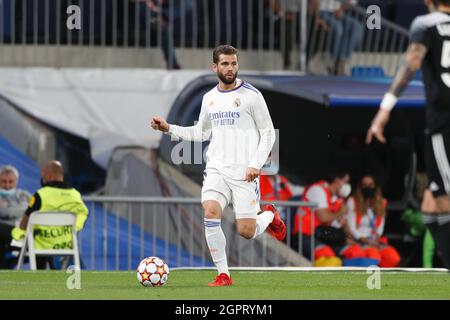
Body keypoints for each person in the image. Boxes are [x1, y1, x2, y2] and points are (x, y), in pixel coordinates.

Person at [150, 44, 285, 286]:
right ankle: (224, 274)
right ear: (215, 67)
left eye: (233, 63)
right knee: (210, 211)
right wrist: (168, 128)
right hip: (216, 168)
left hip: (245, 172)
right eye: (225, 63)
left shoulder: (251, 96)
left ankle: (269, 214)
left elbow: (268, 134)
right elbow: (201, 133)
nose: (230, 68)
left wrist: (255, 164)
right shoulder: (209, 99)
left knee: (246, 231)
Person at [366, 0, 450, 269]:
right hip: (438, 126)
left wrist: (385, 109)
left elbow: (411, 63)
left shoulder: (425, 24)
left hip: (445, 123)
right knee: (431, 204)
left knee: (445, 201)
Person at [0, 160, 89, 269]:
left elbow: (24, 224)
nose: (42, 178)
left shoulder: (41, 195)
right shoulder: (76, 195)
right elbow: (82, 216)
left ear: (50, 176)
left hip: (39, 241)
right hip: (66, 242)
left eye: (43, 176)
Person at [292, 171, 366, 266]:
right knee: (326, 256)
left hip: (325, 236)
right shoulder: (318, 190)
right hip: (305, 236)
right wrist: (341, 212)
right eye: (346, 181)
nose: (347, 185)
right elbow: (323, 217)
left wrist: (345, 234)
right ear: (337, 180)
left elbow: (343, 224)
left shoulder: (337, 198)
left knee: (356, 251)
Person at [346, 174, 401, 267]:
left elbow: (380, 227)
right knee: (374, 257)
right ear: (360, 187)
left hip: (375, 240)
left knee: (393, 257)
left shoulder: (381, 202)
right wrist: (366, 241)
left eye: (370, 185)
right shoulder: (352, 201)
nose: (368, 187)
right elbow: (351, 228)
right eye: (364, 185)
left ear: (375, 187)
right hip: (359, 240)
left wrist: (375, 240)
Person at [318, 0, 363, 75]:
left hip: (338, 12)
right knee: (338, 28)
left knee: (357, 27)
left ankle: (341, 62)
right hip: (322, 11)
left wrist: (341, 9)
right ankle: (333, 61)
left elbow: (351, 2)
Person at [133, 0, 182, 70]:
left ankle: (162, 18)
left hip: (159, 12)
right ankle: (160, 19)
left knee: (188, 3)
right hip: (142, 10)